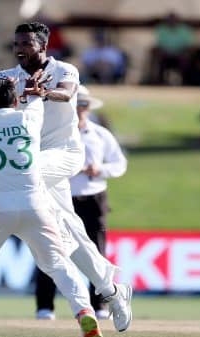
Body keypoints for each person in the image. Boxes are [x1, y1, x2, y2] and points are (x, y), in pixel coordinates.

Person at [0, 22, 132, 332]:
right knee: (66, 234)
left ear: (43, 47)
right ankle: (111, 290)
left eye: (26, 43)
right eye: (16, 43)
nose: (19, 48)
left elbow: (66, 93)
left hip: (65, 153)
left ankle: (105, 289)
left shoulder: (65, 70)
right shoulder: (8, 77)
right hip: (34, 160)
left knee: (29, 179)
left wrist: (43, 92)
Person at [0, 77, 103, 337]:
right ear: (14, 101)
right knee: (59, 265)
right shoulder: (27, 119)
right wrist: (28, 89)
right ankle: (84, 312)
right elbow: (37, 98)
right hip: (35, 203)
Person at [35, 85, 127, 320]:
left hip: (92, 198)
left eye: (83, 106)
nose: (80, 110)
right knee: (50, 250)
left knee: (96, 250)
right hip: (59, 199)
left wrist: (99, 170)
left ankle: (101, 306)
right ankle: (45, 307)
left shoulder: (100, 134)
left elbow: (119, 164)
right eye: (76, 106)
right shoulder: (53, 135)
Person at [150, 12, 195, 85]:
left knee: (186, 57)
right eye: (169, 20)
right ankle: (158, 81)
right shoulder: (161, 29)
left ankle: (185, 81)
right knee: (158, 56)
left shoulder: (185, 30)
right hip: (165, 55)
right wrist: (164, 52)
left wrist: (180, 53)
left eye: (174, 20)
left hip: (180, 55)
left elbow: (189, 46)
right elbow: (157, 45)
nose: (172, 21)